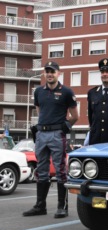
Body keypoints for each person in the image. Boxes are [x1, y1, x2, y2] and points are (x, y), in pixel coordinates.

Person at [23, 61, 79, 218]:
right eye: (47, 71)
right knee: (41, 170)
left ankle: (63, 207)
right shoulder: (39, 91)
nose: (49, 74)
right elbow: (40, 112)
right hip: (41, 134)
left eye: (52, 71)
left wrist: (63, 128)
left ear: (58, 73)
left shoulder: (67, 92)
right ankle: (40, 206)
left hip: (57, 135)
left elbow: (75, 116)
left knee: (60, 170)